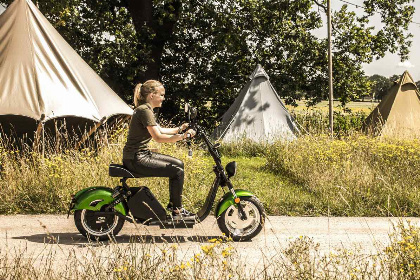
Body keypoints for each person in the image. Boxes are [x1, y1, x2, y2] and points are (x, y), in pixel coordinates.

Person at [122, 80, 196, 220]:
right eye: (161, 95)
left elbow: (160, 129)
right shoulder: (144, 110)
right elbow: (158, 137)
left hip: (139, 155)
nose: (163, 98)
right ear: (151, 95)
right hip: (136, 158)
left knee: (179, 164)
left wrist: (180, 129)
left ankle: (174, 207)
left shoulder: (146, 110)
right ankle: (177, 211)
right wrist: (182, 136)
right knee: (177, 171)